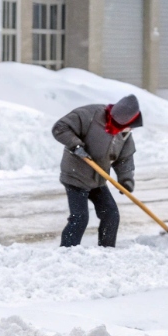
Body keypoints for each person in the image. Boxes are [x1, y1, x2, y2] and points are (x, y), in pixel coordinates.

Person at [52, 95, 142, 248]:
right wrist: (76, 145)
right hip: (76, 175)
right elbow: (60, 128)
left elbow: (124, 158)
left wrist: (125, 179)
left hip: (98, 178)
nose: (127, 130)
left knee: (111, 214)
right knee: (80, 218)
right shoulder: (89, 115)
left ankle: (107, 250)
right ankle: (66, 252)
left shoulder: (125, 133)